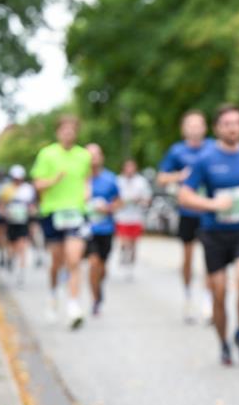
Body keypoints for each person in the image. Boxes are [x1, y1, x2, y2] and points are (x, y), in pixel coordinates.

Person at [177, 104, 239, 366]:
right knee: (218, 293)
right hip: (214, 234)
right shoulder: (205, 159)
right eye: (227, 124)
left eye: (237, 123)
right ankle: (223, 344)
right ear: (217, 128)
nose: (233, 128)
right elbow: (184, 195)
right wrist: (212, 204)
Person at [30, 114, 92, 330]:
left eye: (72, 130)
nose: (68, 133)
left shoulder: (84, 155)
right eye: (64, 130)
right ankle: (53, 293)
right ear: (58, 132)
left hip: (76, 212)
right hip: (53, 212)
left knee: (74, 259)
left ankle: (74, 306)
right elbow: (37, 184)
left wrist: (87, 192)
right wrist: (53, 180)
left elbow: (86, 179)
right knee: (57, 261)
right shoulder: (47, 154)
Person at [158, 109, 215, 323]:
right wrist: (180, 175)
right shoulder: (177, 151)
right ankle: (188, 297)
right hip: (187, 212)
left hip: (209, 211)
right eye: (190, 125)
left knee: (211, 257)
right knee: (188, 258)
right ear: (184, 129)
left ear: (205, 128)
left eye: (198, 124)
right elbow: (161, 178)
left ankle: (208, 300)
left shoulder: (212, 148)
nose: (195, 129)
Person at [84, 144, 120, 316]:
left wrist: (108, 208)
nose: (93, 158)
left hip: (106, 228)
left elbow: (119, 201)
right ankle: (95, 299)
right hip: (87, 229)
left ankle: (99, 288)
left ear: (102, 157)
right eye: (89, 155)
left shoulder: (110, 179)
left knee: (102, 267)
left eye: (96, 154)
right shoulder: (80, 178)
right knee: (93, 263)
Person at [0, 165, 37, 286]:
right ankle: (10, 260)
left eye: (19, 178)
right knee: (11, 246)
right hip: (11, 222)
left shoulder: (28, 189)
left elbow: (32, 205)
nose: (17, 180)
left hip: (23, 221)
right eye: (15, 178)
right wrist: (4, 213)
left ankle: (21, 273)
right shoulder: (7, 189)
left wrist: (32, 212)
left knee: (22, 246)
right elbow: (1, 204)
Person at [115, 158, 151, 280]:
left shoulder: (141, 182)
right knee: (125, 241)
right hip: (122, 216)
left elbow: (147, 198)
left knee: (133, 243)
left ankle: (130, 265)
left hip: (136, 217)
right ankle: (123, 257)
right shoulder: (118, 181)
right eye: (127, 167)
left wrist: (139, 200)